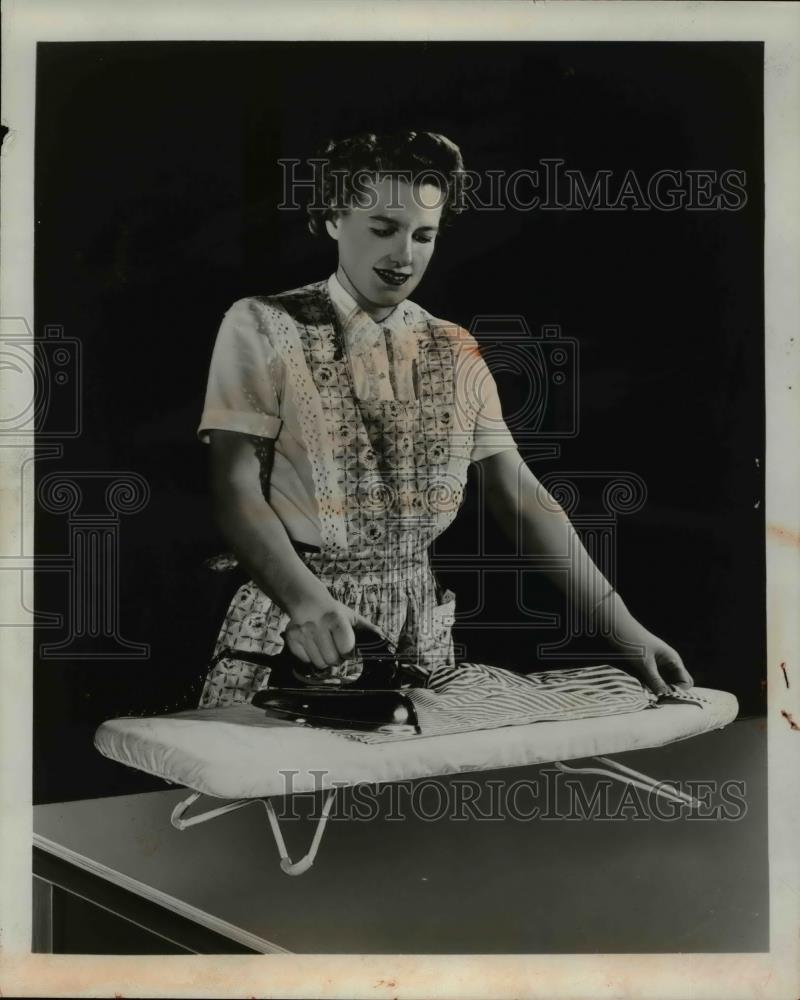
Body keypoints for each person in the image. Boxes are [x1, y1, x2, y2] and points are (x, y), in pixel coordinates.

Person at [196, 129, 692, 709]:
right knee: (289, 792)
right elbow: (234, 489)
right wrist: (306, 601)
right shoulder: (259, 323)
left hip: (420, 638)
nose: (403, 254)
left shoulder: (454, 348)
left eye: (423, 235)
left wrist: (624, 628)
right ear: (333, 218)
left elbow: (523, 498)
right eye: (383, 229)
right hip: (298, 627)